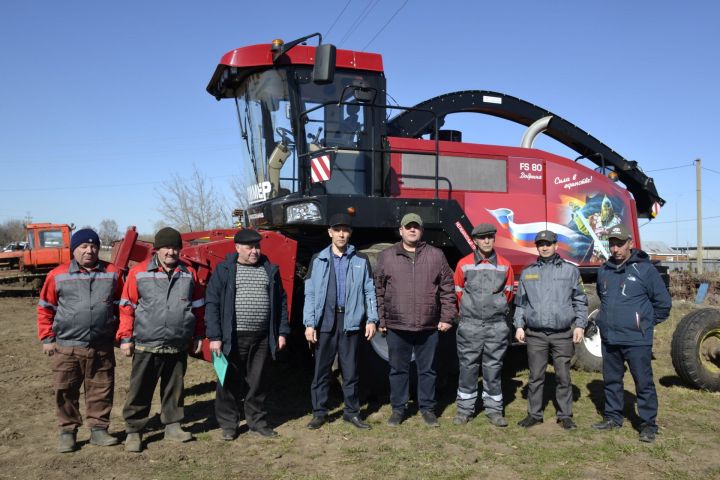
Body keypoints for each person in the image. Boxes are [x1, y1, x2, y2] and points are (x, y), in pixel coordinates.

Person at [117, 227, 205, 453]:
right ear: (157, 249)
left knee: (174, 387)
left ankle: (173, 425)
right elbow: (127, 307)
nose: (171, 252)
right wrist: (126, 338)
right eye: (166, 247)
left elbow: (198, 308)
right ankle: (134, 431)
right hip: (147, 342)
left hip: (177, 342)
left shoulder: (188, 274)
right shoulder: (139, 273)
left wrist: (198, 335)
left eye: (175, 247)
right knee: (140, 388)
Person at [37, 228, 123, 453]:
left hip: (101, 344)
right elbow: (46, 308)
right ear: (74, 249)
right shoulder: (58, 275)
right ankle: (67, 431)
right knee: (65, 389)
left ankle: (99, 430)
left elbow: (121, 306)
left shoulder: (112, 273)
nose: (89, 251)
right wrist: (47, 337)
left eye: (93, 246)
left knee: (101, 388)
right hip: (67, 345)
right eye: (83, 246)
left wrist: (120, 334)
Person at [205, 229, 290, 440]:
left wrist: (282, 332)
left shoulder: (269, 269)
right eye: (249, 247)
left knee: (258, 381)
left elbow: (281, 302)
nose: (255, 251)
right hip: (232, 336)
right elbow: (212, 303)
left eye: (257, 247)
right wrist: (215, 336)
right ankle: (229, 425)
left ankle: (257, 422)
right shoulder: (225, 270)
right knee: (228, 381)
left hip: (262, 337)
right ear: (237, 248)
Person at [591, 224, 671, 443]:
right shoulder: (604, 270)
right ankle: (613, 417)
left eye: (619, 244)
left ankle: (647, 424)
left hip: (637, 339)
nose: (615, 249)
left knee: (643, 382)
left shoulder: (645, 270)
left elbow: (663, 304)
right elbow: (603, 297)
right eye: (612, 244)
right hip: (610, 338)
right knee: (612, 380)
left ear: (630, 243)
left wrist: (644, 323)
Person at [375, 213, 456, 427]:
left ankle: (427, 408)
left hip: (428, 325)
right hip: (397, 325)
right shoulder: (386, 256)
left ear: (421, 231)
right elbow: (379, 291)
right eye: (408, 227)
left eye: (416, 227)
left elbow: (448, 289)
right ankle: (398, 409)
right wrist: (381, 320)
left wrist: (447, 317)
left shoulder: (436, 255)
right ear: (400, 230)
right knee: (398, 370)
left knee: (427, 370)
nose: (412, 230)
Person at [304, 213, 378, 430]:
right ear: (330, 232)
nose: (341, 234)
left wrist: (372, 319)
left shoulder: (360, 260)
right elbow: (310, 294)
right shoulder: (317, 259)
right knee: (321, 370)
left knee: (350, 371)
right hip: (325, 321)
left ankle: (351, 412)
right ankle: (319, 413)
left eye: (345, 230)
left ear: (350, 233)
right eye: (337, 230)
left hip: (350, 321)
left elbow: (369, 291)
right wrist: (309, 324)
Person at [514, 230, 588, 430]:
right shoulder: (528, 272)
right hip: (535, 334)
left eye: (548, 243)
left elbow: (580, 301)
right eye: (540, 244)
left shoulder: (570, 271)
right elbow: (520, 303)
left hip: (562, 334)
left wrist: (580, 325)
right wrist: (519, 325)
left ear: (556, 245)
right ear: (537, 247)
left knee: (563, 376)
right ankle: (534, 414)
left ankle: (565, 415)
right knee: (535, 376)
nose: (544, 247)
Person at [453, 223, 514, 427]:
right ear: (475, 241)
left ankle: (494, 410)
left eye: (490, 237)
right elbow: (458, 292)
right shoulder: (463, 264)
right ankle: (465, 410)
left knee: (493, 368)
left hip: (496, 326)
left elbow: (508, 293)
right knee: (468, 368)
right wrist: (471, 313)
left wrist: (493, 308)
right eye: (482, 237)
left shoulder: (505, 265)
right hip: (470, 325)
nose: (487, 241)